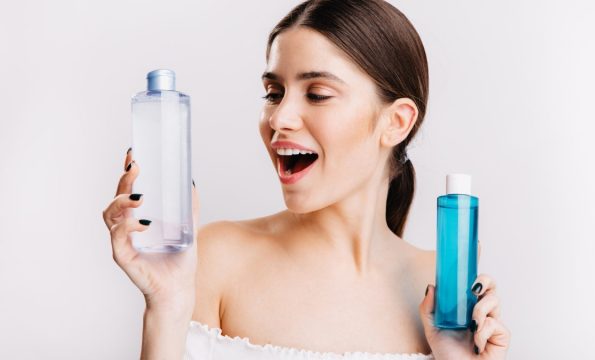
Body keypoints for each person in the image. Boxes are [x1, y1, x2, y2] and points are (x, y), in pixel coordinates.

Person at [102, 0, 510, 359]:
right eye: (274, 92)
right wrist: (167, 305)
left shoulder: (444, 293)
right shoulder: (215, 260)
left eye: (316, 94)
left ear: (396, 122)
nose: (279, 118)